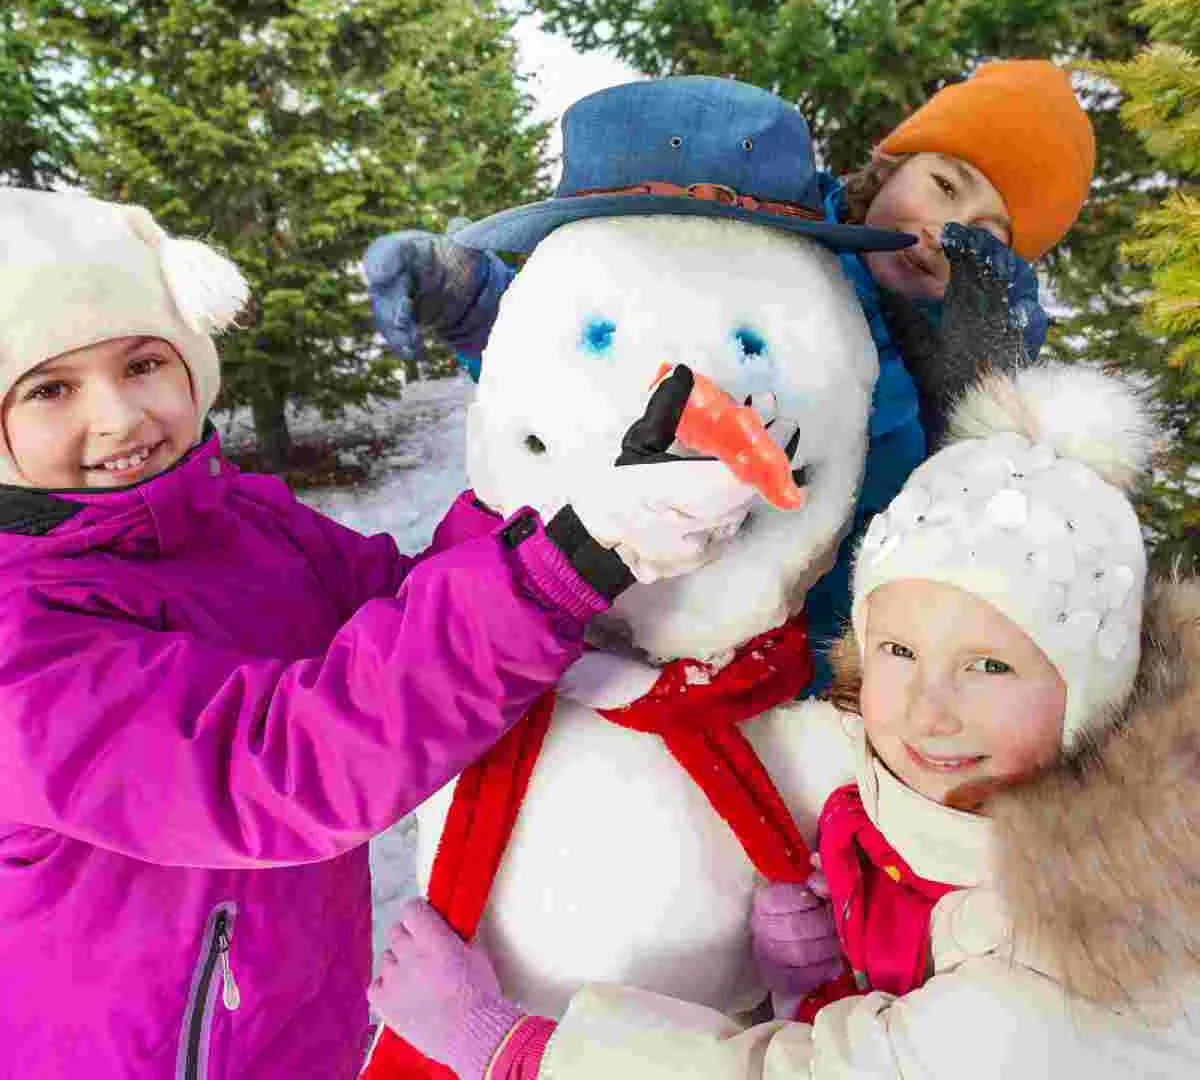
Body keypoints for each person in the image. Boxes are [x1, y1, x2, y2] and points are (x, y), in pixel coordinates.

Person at [0, 188, 776, 1078]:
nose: (121, 418)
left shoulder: (244, 523)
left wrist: (563, 492)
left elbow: (403, 611)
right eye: (51, 389)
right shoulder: (22, 635)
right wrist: (576, 553)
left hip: (297, 1025)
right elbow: (280, 766)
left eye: (143, 364)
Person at [369, 361, 1200, 1079]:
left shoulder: (1096, 935)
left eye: (991, 666)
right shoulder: (945, 810)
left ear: (1094, 692)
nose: (926, 708)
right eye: (899, 652)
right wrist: (820, 976)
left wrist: (501, 1046)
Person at [364, 61, 1096, 690]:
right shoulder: (765, 230)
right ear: (891, 163)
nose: (947, 232)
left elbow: (958, 538)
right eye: (943, 183)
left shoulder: (957, 362)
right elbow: (602, 349)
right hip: (622, 626)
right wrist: (471, 303)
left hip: (795, 673)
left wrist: (983, 393)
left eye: (988, 235)